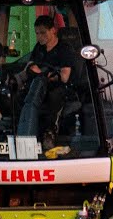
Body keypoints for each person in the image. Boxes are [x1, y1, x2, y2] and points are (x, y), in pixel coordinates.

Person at [10, 15, 79, 150]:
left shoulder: (64, 49)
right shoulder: (39, 48)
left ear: (53, 30)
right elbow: (31, 66)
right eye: (37, 33)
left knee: (54, 97)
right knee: (19, 97)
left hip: (59, 88)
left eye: (43, 33)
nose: (39, 37)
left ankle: (50, 132)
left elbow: (64, 77)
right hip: (38, 86)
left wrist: (41, 74)